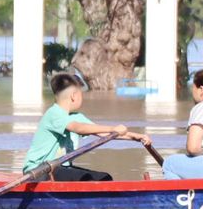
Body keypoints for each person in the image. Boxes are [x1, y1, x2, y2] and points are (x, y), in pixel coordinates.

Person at [23, 72, 151, 181]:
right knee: (87, 179)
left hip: (59, 169)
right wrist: (113, 128)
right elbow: (78, 128)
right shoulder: (54, 113)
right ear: (73, 96)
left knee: (104, 178)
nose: (82, 97)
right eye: (81, 93)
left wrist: (137, 137)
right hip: (38, 171)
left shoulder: (75, 116)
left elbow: (103, 133)